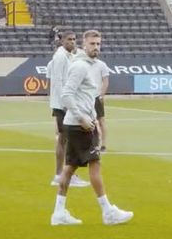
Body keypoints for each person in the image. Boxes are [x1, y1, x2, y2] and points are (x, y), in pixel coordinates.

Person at [52, 29, 133, 226]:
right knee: (94, 166)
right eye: (92, 44)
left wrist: (91, 117)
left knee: (69, 169)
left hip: (80, 123)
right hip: (80, 126)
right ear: (84, 44)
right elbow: (66, 94)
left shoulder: (90, 65)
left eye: (98, 44)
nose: (96, 47)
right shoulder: (80, 66)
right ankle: (108, 212)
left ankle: (59, 213)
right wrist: (82, 118)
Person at [47, 30, 88, 188]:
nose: (73, 42)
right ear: (62, 41)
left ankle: (61, 174)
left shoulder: (66, 56)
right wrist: (66, 103)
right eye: (69, 39)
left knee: (64, 139)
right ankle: (64, 174)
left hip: (61, 103)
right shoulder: (60, 57)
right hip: (63, 104)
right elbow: (58, 81)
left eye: (74, 39)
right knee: (67, 139)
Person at [90, 53, 111, 151]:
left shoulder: (101, 65)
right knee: (88, 121)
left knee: (101, 120)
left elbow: (105, 81)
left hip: (96, 97)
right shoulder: (83, 64)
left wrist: (101, 95)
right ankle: (92, 143)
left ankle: (103, 144)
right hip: (86, 97)